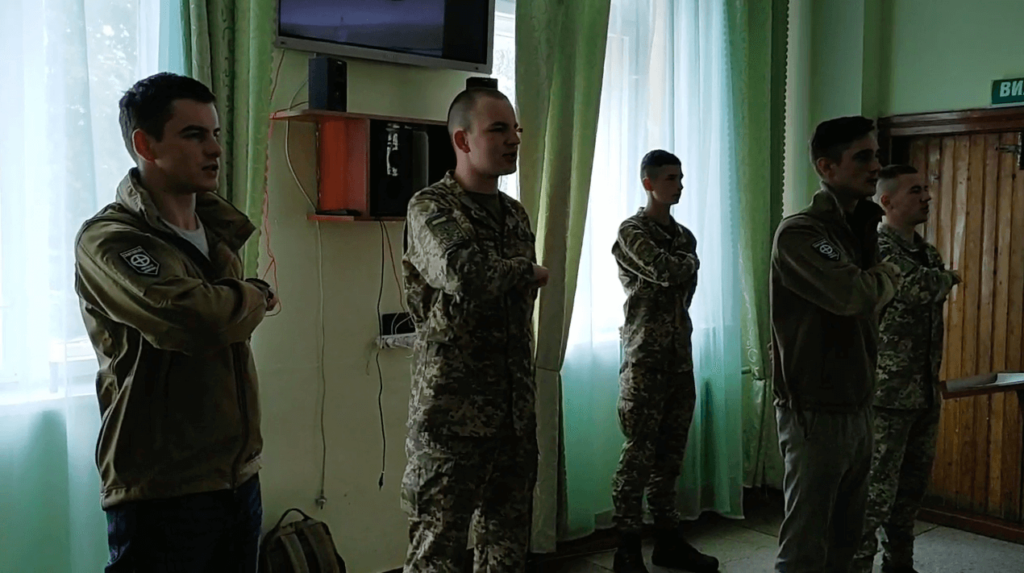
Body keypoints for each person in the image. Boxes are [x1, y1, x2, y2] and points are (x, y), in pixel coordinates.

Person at [74, 73, 278, 572]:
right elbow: (191, 320)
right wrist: (256, 293)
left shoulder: (216, 234)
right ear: (146, 144)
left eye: (215, 134)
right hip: (162, 491)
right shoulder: (110, 240)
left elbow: (215, 315)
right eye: (193, 135)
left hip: (236, 480)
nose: (214, 149)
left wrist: (233, 299)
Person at [401, 87, 548, 572]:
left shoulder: (515, 215)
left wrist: (511, 274)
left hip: (512, 414)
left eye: (515, 129)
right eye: (498, 129)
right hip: (451, 419)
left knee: (506, 553)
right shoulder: (431, 206)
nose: (513, 140)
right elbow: (463, 272)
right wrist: (524, 272)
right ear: (463, 140)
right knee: (435, 557)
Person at [769, 116, 903, 573]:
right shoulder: (802, 233)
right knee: (807, 546)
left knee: (848, 540)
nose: (876, 165)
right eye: (863, 156)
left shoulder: (860, 228)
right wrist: (885, 277)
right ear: (826, 167)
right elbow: (855, 295)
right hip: (815, 410)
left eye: (877, 155)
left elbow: (866, 297)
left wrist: (874, 281)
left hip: (858, 402)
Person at [609, 150, 719, 573]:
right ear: (648, 183)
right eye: (671, 178)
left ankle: (668, 539)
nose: (680, 185)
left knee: (671, 456)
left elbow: (683, 282)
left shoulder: (684, 236)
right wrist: (683, 265)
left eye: (681, 177)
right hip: (644, 359)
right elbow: (668, 272)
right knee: (637, 454)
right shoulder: (631, 230)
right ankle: (627, 545)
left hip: (679, 357)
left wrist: (682, 264)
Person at [851, 165, 959, 573]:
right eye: (916, 191)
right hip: (887, 396)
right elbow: (916, 290)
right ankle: (858, 566)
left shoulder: (927, 253)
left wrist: (940, 277)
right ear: (887, 201)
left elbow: (927, 283)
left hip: (925, 392)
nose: (927, 198)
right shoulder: (877, 250)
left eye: (927, 190)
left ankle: (900, 565)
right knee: (874, 497)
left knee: (910, 493)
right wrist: (945, 279)